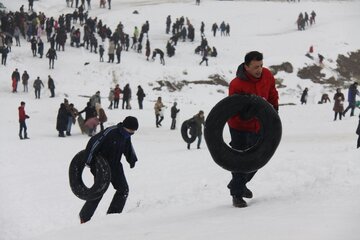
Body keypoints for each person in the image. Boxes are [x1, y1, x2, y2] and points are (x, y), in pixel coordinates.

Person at [226, 51, 279, 208]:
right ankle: (237, 194)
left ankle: (238, 184)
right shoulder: (236, 84)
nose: (259, 70)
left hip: (259, 125)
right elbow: (232, 109)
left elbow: (272, 94)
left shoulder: (267, 75)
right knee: (240, 159)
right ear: (246, 67)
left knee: (258, 159)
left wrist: (274, 113)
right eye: (256, 67)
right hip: (238, 126)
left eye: (261, 65)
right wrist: (247, 116)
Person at [79, 116, 139, 223]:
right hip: (101, 166)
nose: (131, 133)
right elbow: (94, 143)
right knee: (99, 192)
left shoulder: (126, 136)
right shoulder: (110, 132)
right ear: (125, 126)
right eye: (131, 131)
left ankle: (113, 216)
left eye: (133, 132)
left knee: (123, 189)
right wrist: (89, 161)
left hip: (115, 166)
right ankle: (84, 217)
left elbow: (128, 147)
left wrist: (132, 159)